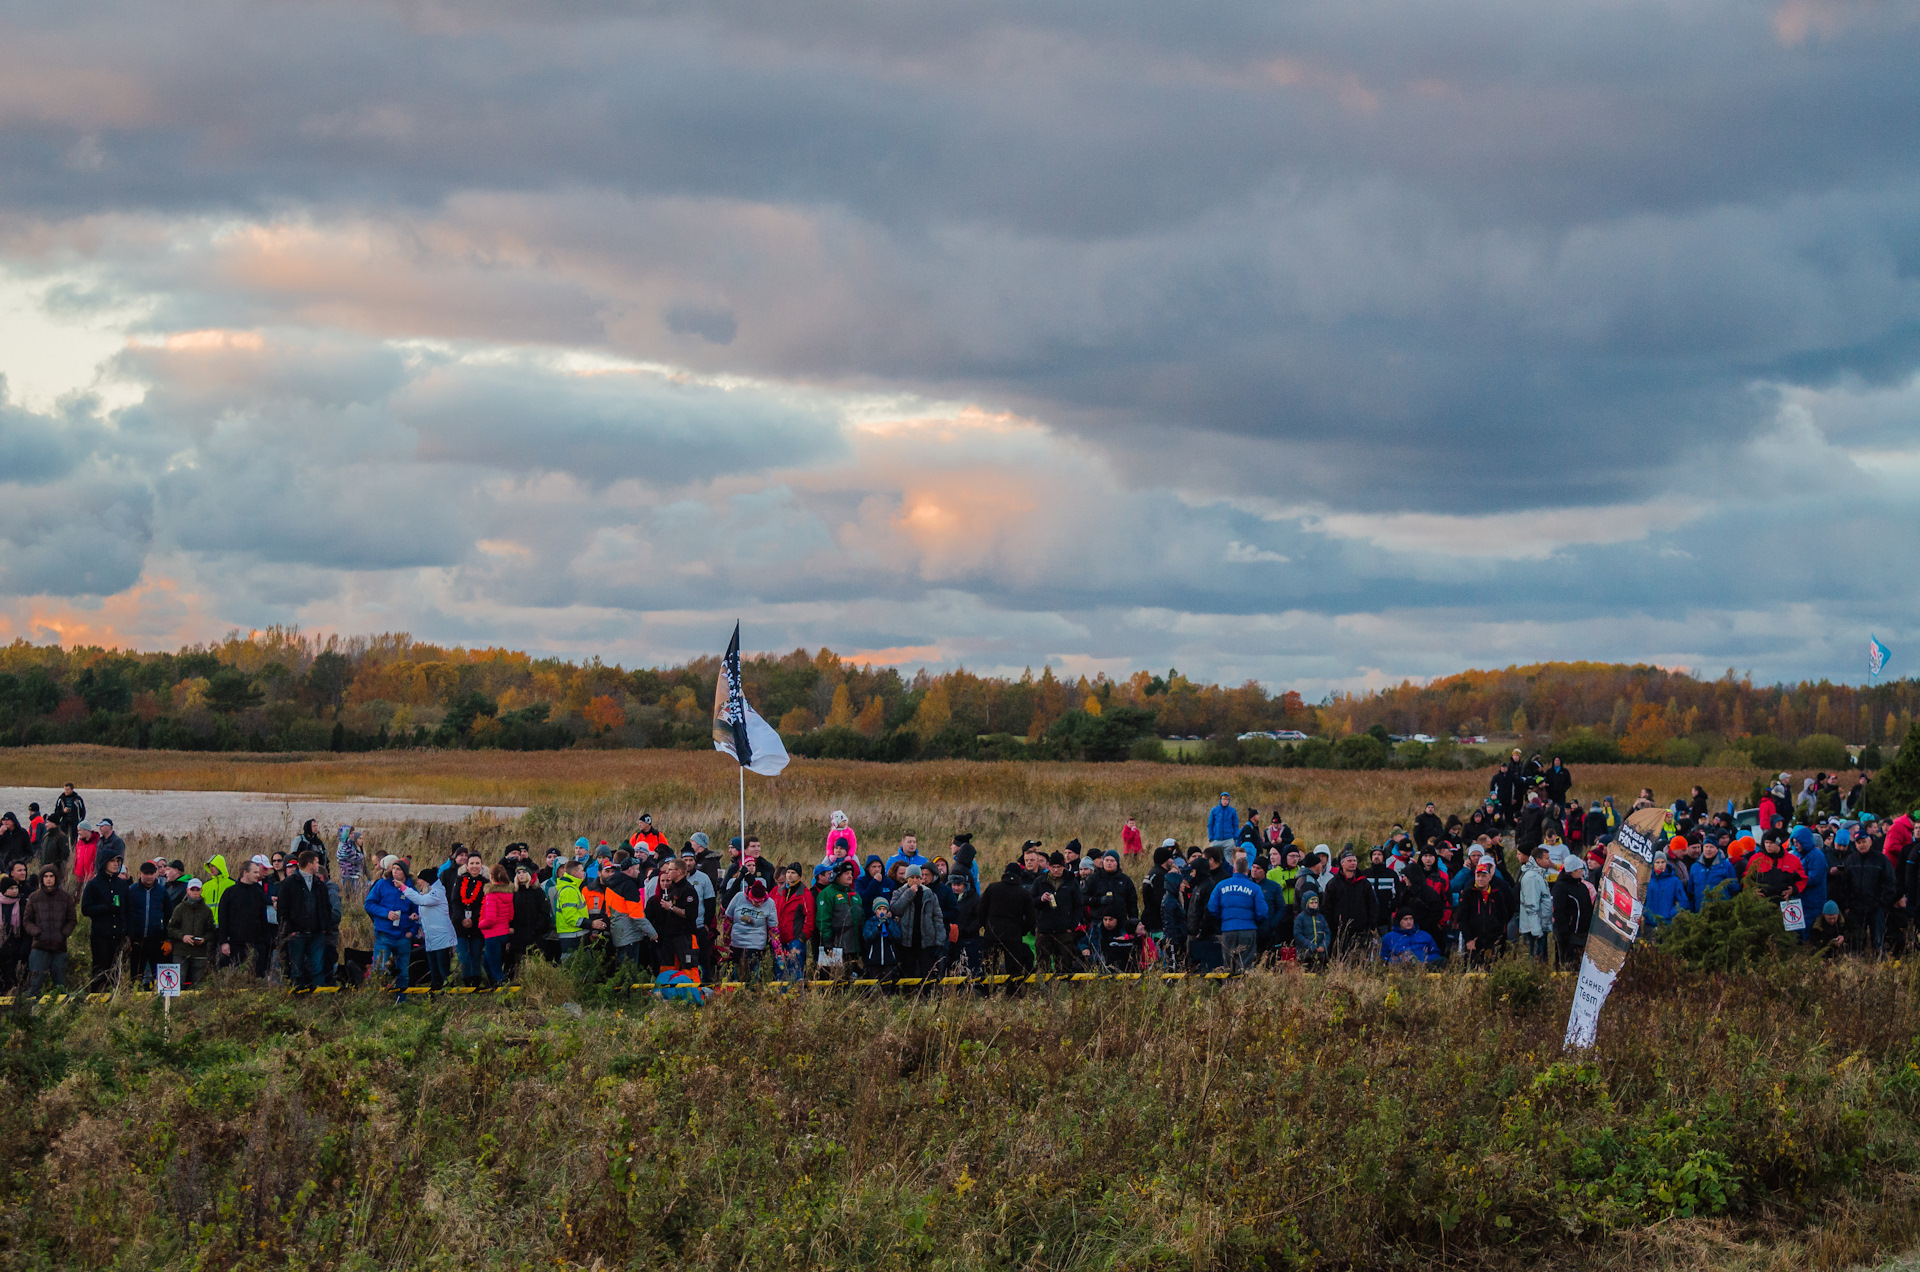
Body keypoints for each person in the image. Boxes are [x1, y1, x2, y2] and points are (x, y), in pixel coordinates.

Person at [362, 859, 419, 996]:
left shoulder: (411, 890)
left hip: (403, 936)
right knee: (378, 969)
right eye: (393, 869)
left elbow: (417, 912)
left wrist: (412, 932)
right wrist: (385, 913)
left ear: (405, 873)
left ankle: (401, 1001)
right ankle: (374, 998)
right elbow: (368, 904)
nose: (395, 871)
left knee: (403, 972)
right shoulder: (382, 884)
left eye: (398, 869)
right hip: (384, 934)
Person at [278, 849, 332, 990]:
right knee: (297, 968)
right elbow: (282, 909)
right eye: (316, 862)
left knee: (317, 966)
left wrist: (324, 927)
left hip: (317, 933)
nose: (318, 865)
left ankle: (319, 994)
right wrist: (289, 930)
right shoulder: (289, 884)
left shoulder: (319, 884)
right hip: (297, 933)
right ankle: (298, 995)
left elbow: (327, 907)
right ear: (309, 864)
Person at [976, 862, 1039, 977]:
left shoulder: (992, 888)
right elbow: (1031, 917)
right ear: (1019, 875)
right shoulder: (1023, 893)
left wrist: (987, 926)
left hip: (992, 934)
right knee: (1014, 971)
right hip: (1013, 936)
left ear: (1005, 873)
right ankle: (1013, 988)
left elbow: (981, 910)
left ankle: (990, 987)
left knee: (989, 967)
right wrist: (1022, 930)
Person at [1206, 858, 1268, 972]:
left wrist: (1224, 919)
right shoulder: (1255, 888)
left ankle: (1228, 983)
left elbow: (1212, 907)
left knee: (1228, 965)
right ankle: (1242, 983)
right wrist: (1253, 921)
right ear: (1248, 871)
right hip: (1248, 930)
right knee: (1245, 966)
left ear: (1234, 869)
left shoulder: (1221, 886)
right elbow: (1262, 912)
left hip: (1228, 929)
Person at [401, 866, 458, 990]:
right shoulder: (427, 894)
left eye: (420, 879)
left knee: (443, 968)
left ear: (427, 881)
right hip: (431, 938)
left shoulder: (437, 893)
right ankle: (436, 989)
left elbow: (420, 900)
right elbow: (431, 915)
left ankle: (448, 991)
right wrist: (418, 919)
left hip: (441, 938)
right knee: (434, 968)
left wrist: (403, 888)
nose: (418, 882)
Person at [80, 850, 129, 990]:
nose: (116, 864)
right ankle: (96, 997)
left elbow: (127, 910)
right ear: (104, 862)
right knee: (100, 970)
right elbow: (85, 909)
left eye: (118, 861)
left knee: (116, 970)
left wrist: (127, 931)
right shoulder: (93, 884)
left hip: (118, 935)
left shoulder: (122, 884)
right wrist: (106, 908)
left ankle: (114, 997)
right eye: (112, 861)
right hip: (100, 935)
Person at [22, 867, 75, 995]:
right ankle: (33, 1006)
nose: (49, 879)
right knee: (35, 982)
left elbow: (72, 920)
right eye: (45, 876)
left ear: (56, 878)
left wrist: (63, 934)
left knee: (60, 984)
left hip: (59, 946)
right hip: (39, 946)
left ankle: (61, 1007)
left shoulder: (65, 897)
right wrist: (37, 933)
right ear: (41, 879)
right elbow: (27, 921)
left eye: (51, 876)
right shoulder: (34, 897)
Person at [645, 858, 701, 975]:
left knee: (689, 968)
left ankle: (692, 987)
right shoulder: (673, 888)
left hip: (685, 936)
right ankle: (669, 987)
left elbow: (691, 914)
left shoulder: (688, 890)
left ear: (679, 871)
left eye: (670, 869)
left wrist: (671, 908)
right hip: (670, 936)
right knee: (667, 969)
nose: (667, 871)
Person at [123, 860, 174, 987]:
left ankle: (159, 997)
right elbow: (126, 914)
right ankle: (135, 995)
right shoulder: (132, 890)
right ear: (140, 873)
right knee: (136, 976)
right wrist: (128, 937)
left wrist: (168, 938)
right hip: (137, 940)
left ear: (155, 873)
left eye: (151, 873)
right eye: (146, 874)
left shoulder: (162, 891)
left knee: (159, 976)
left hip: (157, 940)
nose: (149, 876)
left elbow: (169, 916)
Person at [892, 864, 946, 981]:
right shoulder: (899, 892)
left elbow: (937, 917)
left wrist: (939, 940)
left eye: (917, 877)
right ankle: (909, 991)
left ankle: (925, 991)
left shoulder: (929, 894)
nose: (915, 880)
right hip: (906, 940)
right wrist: (909, 893)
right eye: (912, 877)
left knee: (926, 973)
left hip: (925, 941)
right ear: (907, 879)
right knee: (907, 972)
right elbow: (895, 909)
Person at [724, 877, 779, 983]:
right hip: (737, 943)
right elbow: (728, 920)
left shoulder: (770, 903)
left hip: (756, 944)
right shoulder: (739, 897)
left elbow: (773, 929)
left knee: (753, 976)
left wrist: (777, 948)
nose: (758, 904)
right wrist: (726, 942)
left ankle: (753, 990)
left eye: (761, 902)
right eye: (755, 901)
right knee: (735, 975)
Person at [1320, 853, 1377, 956]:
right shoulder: (1333, 883)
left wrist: (1371, 925)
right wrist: (1330, 927)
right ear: (1342, 863)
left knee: (1359, 958)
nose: (1353, 863)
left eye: (1354, 861)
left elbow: (1372, 904)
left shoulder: (1364, 883)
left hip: (1361, 931)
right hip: (1339, 931)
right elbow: (1326, 907)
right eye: (1349, 861)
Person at [167, 878, 217, 986]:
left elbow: (212, 931)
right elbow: (170, 929)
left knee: (198, 985)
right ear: (187, 890)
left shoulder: (207, 911)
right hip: (180, 952)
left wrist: (204, 939)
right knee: (177, 984)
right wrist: (183, 937)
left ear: (201, 891)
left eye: (197, 889)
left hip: (200, 953)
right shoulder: (179, 908)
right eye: (192, 889)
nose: (195, 892)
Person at [508, 867, 553, 976]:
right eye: (519, 873)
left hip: (534, 932)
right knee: (518, 961)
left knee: (534, 959)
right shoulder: (513, 892)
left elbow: (545, 911)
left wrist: (538, 928)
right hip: (517, 933)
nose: (521, 875)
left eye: (524, 872)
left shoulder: (537, 892)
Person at [1552, 858, 1594, 966]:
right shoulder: (1560, 887)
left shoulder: (1582, 886)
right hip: (1568, 933)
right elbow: (1558, 910)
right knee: (1567, 963)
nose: (1582, 871)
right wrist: (1564, 931)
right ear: (1572, 871)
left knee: (1579, 963)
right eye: (1580, 869)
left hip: (1582, 932)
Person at [477, 865, 515, 986]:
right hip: (503, 932)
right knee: (486, 963)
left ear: (492, 877)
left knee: (495, 966)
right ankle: (494, 984)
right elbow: (510, 916)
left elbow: (490, 919)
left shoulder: (491, 895)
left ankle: (502, 984)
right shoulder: (508, 894)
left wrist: (480, 924)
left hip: (492, 935)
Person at [1518, 846, 1553, 960]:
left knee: (1542, 958)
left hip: (1540, 925)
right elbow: (1531, 905)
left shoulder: (1539, 875)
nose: (1549, 861)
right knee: (1537, 958)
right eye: (1547, 858)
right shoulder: (1532, 878)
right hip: (1535, 928)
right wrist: (1536, 930)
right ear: (1538, 860)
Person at [1643, 853, 1693, 927]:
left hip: (1667, 924)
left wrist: (1671, 913)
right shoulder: (1647, 880)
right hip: (1649, 923)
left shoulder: (1675, 881)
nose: (1660, 865)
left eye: (1663, 862)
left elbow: (1683, 902)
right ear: (1653, 864)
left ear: (1666, 863)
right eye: (1657, 862)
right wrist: (1646, 912)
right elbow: (1640, 900)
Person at [552, 860, 589, 959]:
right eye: (581, 871)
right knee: (571, 965)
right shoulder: (569, 890)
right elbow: (571, 917)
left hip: (574, 934)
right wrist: (590, 924)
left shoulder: (573, 887)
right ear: (574, 873)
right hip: (572, 936)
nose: (584, 873)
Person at [862, 896, 901, 980]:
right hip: (874, 960)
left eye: (884, 909)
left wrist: (888, 926)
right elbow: (867, 937)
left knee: (887, 982)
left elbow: (897, 936)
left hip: (888, 960)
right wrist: (878, 929)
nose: (882, 911)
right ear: (875, 910)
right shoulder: (870, 922)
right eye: (879, 909)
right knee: (874, 983)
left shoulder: (891, 922)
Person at [1291, 891, 1331, 969]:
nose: (1314, 905)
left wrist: (1323, 945)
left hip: (1320, 954)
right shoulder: (1300, 918)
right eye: (1311, 903)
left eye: (1316, 902)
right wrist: (1310, 945)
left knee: (1321, 972)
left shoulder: (1321, 918)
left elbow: (1327, 933)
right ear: (1306, 903)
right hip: (1305, 955)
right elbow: (1297, 934)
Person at [0, 878, 27, 993]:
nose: (15, 891)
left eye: (16, 888)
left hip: (15, 943)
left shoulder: (22, 903)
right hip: (1, 944)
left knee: (12, 975)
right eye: (11, 888)